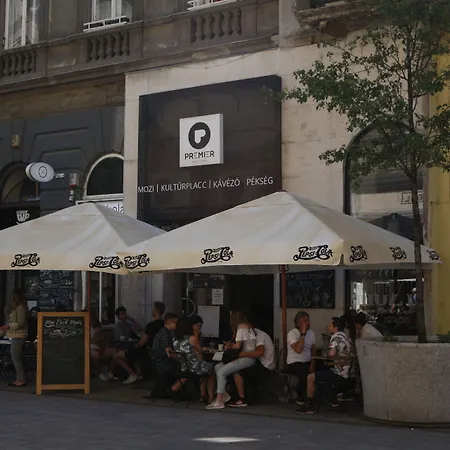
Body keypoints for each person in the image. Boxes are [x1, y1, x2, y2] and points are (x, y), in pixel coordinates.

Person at [298, 317, 352, 414]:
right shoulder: (347, 337)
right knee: (323, 372)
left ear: (335, 328)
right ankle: (331, 399)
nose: (328, 327)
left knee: (310, 377)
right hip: (346, 374)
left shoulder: (335, 337)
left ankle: (310, 405)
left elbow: (332, 353)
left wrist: (327, 353)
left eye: (330, 325)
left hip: (338, 374)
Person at [207, 311, 257, 410]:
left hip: (247, 357)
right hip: (247, 356)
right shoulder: (248, 326)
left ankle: (219, 400)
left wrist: (229, 346)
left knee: (221, 372)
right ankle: (224, 394)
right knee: (218, 367)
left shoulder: (241, 327)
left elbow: (237, 346)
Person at [111, 302, 166, 385]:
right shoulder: (164, 324)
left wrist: (134, 346)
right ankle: (138, 374)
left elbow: (141, 343)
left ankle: (133, 374)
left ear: (155, 310)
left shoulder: (151, 325)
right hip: (158, 351)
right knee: (132, 354)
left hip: (148, 351)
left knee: (116, 356)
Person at [229, 327, 276, 408]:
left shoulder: (259, 336)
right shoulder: (252, 335)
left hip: (265, 365)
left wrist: (243, 354)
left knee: (237, 371)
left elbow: (259, 352)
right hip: (260, 362)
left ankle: (242, 398)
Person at [172, 317, 215, 403]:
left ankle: (203, 394)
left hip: (182, 366)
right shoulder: (192, 338)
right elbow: (200, 350)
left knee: (205, 369)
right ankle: (210, 396)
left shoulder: (175, 339)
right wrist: (196, 335)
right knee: (212, 369)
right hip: (193, 367)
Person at [286, 311, 316, 405]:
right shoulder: (292, 334)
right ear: (298, 323)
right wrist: (303, 334)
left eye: (308, 320)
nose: (308, 323)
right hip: (295, 362)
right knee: (306, 375)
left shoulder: (311, 333)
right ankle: (300, 393)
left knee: (322, 370)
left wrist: (313, 363)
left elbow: (313, 350)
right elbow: (298, 349)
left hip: (308, 361)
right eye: (305, 321)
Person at [0, 289, 28, 387]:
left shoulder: (20, 308)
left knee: (15, 357)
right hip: (15, 334)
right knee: (15, 357)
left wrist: (9, 326)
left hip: (19, 335)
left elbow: (20, 323)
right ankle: (19, 378)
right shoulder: (16, 308)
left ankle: (21, 379)